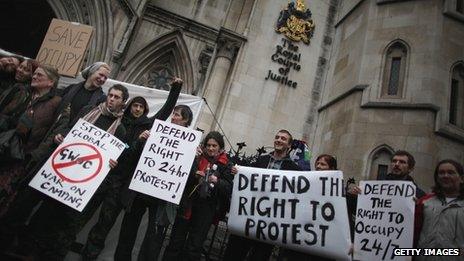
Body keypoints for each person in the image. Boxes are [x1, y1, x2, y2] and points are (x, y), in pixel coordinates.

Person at [14, 83, 129, 261]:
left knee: (61, 220)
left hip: (81, 181)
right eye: (111, 95)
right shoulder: (89, 110)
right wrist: (61, 137)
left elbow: (115, 158)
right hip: (63, 171)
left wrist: (113, 162)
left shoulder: (120, 129)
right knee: (44, 210)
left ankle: (47, 252)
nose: (112, 99)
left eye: (117, 97)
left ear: (123, 102)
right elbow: (71, 129)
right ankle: (28, 246)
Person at [80, 77, 184, 260]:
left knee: (105, 223)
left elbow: (166, 110)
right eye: (135, 105)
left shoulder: (146, 126)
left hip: (121, 183)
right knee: (82, 215)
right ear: (128, 106)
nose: (137, 109)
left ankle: (90, 255)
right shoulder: (117, 121)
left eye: (141, 107)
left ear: (145, 111)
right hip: (102, 175)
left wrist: (176, 88)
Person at [113, 104, 193, 261]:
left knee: (153, 238)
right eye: (173, 113)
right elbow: (135, 155)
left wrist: (194, 157)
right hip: (139, 191)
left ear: (186, 120)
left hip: (160, 198)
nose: (173, 117)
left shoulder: (190, 144)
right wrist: (141, 140)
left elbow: (187, 175)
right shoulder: (156, 132)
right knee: (128, 231)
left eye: (177, 115)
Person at [223, 129, 300, 261]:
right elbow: (246, 179)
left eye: (283, 139)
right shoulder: (261, 160)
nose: (279, 140)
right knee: (234, 254)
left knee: (259, 256)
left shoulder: (294, 169)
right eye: (277, 137)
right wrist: (239, 171)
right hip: (248, 218)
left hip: (269, 224)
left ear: (289, 145)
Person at [0, 65, 63, 215]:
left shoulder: (57, 103)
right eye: (34, 74)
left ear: (50, 82)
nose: (34, 77)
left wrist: (36, 154)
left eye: (39, 75)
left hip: (21, 155)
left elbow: (58, 128)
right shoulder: (22, 91)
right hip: (3, 145)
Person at [163, 131, 233, 261]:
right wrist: (194, 174)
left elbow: (228, 187)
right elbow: (181, 174)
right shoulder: (196, 157)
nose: (210, 148)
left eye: (214, 145)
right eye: (208, 145)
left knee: (194, 247)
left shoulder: (226, 164)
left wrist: (216, 181)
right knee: (175, 242)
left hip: (206, 209)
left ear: (220, 147)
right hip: (187, 205)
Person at [415, 159, 464, 261]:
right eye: (441, 173)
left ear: (462, 178)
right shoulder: (424, 202)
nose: (445, 176)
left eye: (451, 172)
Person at [0, 59, 39, 131]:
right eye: (20, 67)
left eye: (26, 70)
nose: (20, 70)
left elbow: (7, 112)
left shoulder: (22, 90)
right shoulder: (15, 84)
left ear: (32, 75)